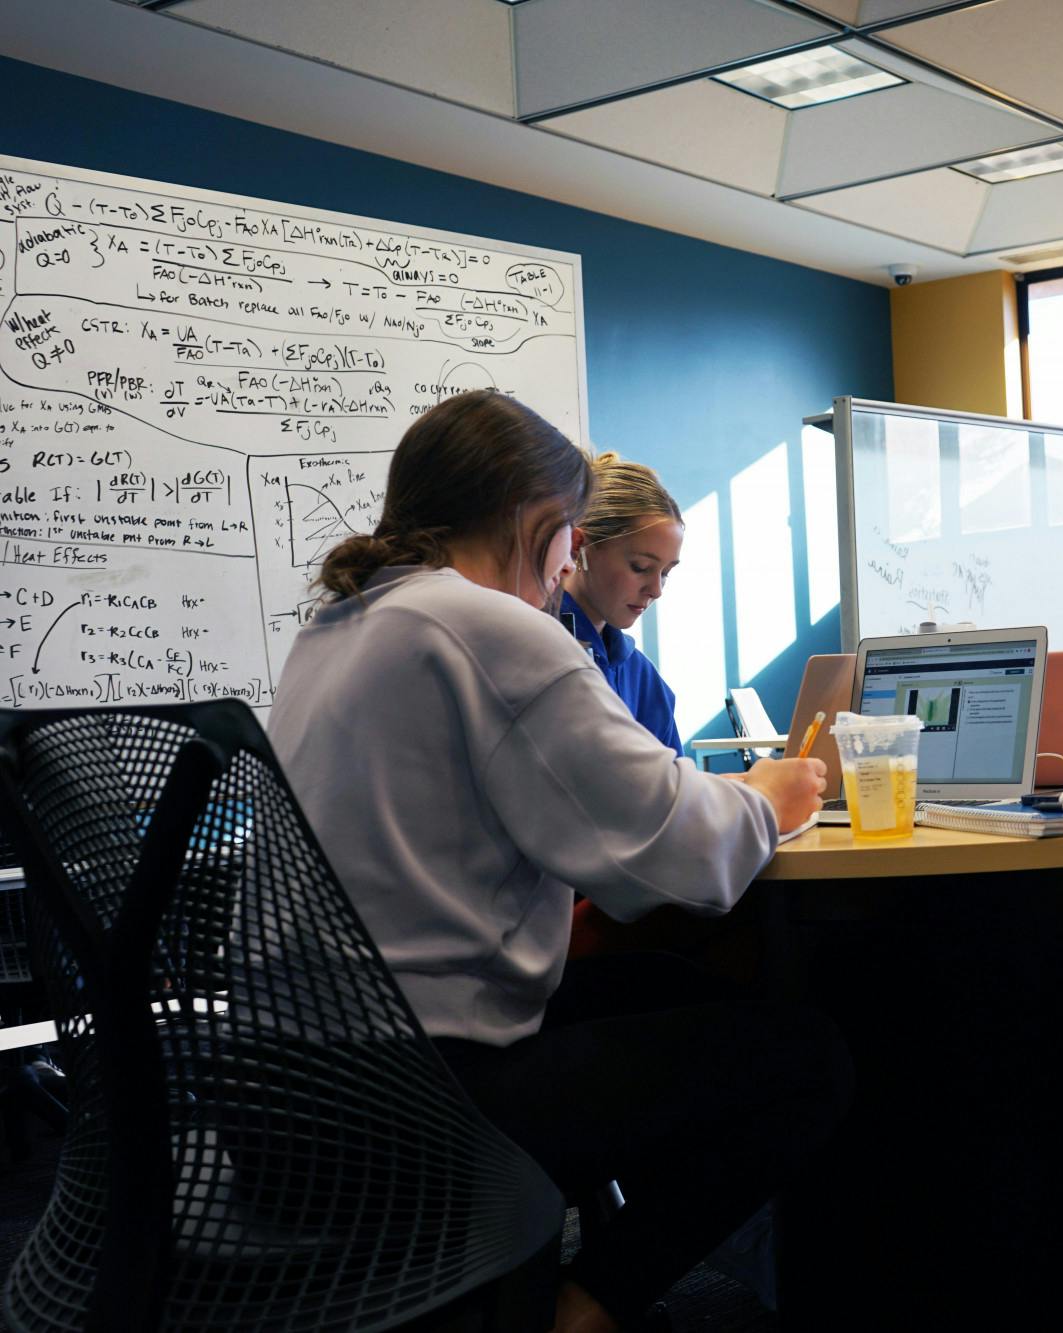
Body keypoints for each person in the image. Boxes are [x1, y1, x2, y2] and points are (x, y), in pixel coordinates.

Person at [268, 390, 849, 1333]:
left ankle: (515, 1261)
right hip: (422, 1091)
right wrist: (771, 801)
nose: (570, 562)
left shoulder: (339, 625)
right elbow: (675, 855)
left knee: (660, 984)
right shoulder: (486, 626)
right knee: (806, 1059)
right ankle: (581, 1307)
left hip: (298, 1082)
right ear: (541, 523)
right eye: (570, 536)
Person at [560, 451, 685, 753]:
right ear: (579, 546)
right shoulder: (535, 648)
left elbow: (675, 791)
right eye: (640, 567)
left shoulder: (641, 676)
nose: (656, 590)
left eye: (666, 573)